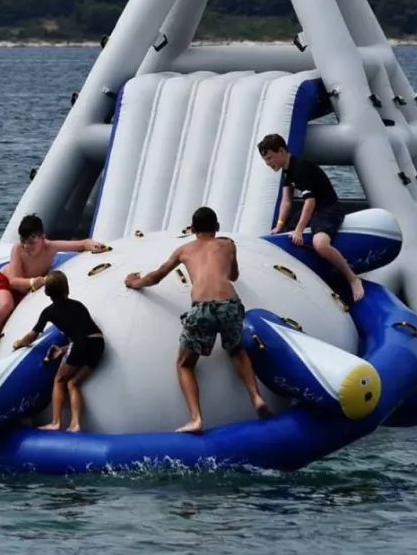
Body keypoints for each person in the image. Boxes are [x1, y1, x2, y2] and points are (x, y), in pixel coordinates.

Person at [123, 206, 268, 433]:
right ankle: (256, 397)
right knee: (237, 350)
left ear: (192, 229)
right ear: (217, 228)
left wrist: (134, 282)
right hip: (230, 302)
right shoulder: (228, 244)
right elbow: (234, 275)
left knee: (184, 363)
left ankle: (196, 418)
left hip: (202, 307)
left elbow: (156, 276)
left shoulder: (184, 250)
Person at [0, 214, 106, 369]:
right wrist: (33, 281)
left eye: (32, 242)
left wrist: (92, 244)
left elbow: (80, 244)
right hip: (5, 284)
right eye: (24, 241)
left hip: (25, 290)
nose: (27, 247)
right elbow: (13, 281)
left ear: (42, 238)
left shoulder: (50, 247)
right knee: (6, 304)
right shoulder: (18, 250)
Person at [256, 133, 364, 303]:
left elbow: (310, 202)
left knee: (320, 244)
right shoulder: (286, 171)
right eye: (265, 160)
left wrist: (299, 230)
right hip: (313, 210)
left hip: (327, 209)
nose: (268, 164)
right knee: (282, 234)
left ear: (282, 151)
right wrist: (280, 225)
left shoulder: (300, 169)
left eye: (270, 158)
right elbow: (286, 201)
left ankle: (352, 278)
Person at [10, 271, 104, 432]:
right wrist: (66, 349)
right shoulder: (78, 305)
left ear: (47, 292)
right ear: (66, 288)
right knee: (73, 383)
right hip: (98, 343)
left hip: (81, 344)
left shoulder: (49, 312)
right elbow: (84, 332)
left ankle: (56, 422)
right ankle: (75, 425)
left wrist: (19, 343)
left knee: (59, 381)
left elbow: (33, 335)